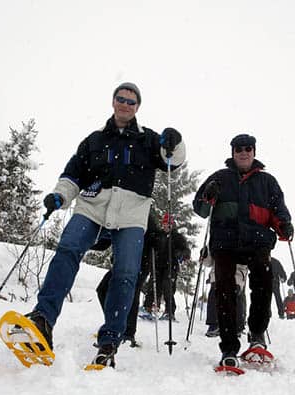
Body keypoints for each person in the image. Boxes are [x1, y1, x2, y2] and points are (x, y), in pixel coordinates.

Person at [24, 82, 186, 367]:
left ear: (137, 107)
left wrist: (175, 141)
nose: (125, 104)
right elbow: (73, 174)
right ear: (113, 102)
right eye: (121, 99)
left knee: (126, 272)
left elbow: (173, 161)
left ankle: (110, 340)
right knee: (68, 248)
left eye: (131, 101)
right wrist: (59, 195)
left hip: (131, 215)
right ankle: (42, 320)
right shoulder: (94, 140)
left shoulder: (148, 140)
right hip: (92, 206)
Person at [193, 133, 292, 370]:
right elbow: (201, 209)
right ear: (232, 153)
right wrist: (209, 194)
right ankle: (229, 347)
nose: (243, 152)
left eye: (248, 148)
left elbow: (279, 210)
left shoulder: (267, 181)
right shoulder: (219, 178)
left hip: (257, 241)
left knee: (263, 283)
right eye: (238, 149)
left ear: (254, 151)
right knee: (224, 288)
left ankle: (257, 336)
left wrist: (284, 225)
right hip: (225, 243)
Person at [95, 210, 161, 347]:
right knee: (102, 289)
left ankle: (128, 333)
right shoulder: (118, 211)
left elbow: (156, 237)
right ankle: (114, 325)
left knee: (132, 292)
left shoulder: (144, 213)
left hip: (141, 261)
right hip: (123, 261)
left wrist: (156, 239)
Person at [155, 214, 191, 321]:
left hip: (171, 266)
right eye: (164, 224)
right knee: (154, 285)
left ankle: (170, 311)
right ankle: (151, 306)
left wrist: (180, 254)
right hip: (158, 265)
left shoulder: (177, 237)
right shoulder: (159, 235)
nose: (165, 226)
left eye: (167, 224)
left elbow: (186, 251)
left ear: (171, 225)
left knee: (168, 287)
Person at [202, 254, 248, 338]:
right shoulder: (213, 241)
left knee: (234, 295)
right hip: (218, 273)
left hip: (236, 273)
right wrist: (204, 256)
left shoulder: (244, 240)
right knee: (216, 294)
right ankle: (215, 324)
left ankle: (236, 326)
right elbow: (208, 262)